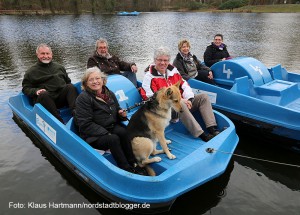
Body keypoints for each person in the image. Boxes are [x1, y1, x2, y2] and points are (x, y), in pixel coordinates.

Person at [75, 67, 145, 175]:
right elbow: (85, 124)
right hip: (93, 135)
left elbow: (116, 110)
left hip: (110, 127)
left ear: (103, 80)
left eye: (97, 78)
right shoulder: (83, 98)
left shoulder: (109, 93)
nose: (95, 82)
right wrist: (106, 133)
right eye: (91, 80)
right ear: (86, 83)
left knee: (123, 132)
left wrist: (122, 115)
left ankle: (133, 162)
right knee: (113, 139)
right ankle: (126, 169)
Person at [141, 47, 220, 142]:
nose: (163, 63)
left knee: (203, 97)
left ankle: (212, 128)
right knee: (180, 104)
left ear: (168, 61)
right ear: (154, 60)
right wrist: (180, 101)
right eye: (160, 60)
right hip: (162, 111)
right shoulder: (149, 77)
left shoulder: (173, 71)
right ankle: (201, 134)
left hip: (181, 103)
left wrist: (189, 99)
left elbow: (184, 84)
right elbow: (150, 98)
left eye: (165, 60)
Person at [22, 44, 78, 123]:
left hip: (59, 98)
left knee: (70, 87)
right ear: (37, 55)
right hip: (45, 100)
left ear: (51, 54)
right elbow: (25, 88)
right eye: (42, 53)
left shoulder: (59, 67)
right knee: (44, 94)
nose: (45, 56)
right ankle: (59, 122)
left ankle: (77, 116)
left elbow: (68, 81)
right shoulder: (31, 71)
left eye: (47, 53)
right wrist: (36, 91)